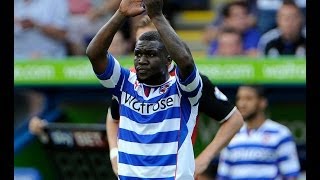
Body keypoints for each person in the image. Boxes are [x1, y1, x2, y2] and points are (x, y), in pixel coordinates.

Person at [86, 0, 243, 179]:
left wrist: (203, 160)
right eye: (139, 50)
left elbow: (234, 119)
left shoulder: (186, 86)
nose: (142, 59)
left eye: (151, 52)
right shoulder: (125, 81)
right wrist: (114, 154)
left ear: (168, 54)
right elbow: (113, 116)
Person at [217, 85, 301, 179]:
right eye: (239, 99)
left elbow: (291, 175)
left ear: (262, 102)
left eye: (248, 99)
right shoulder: (231, 133)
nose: (242, 104)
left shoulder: (280, 133)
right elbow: (222, 175)